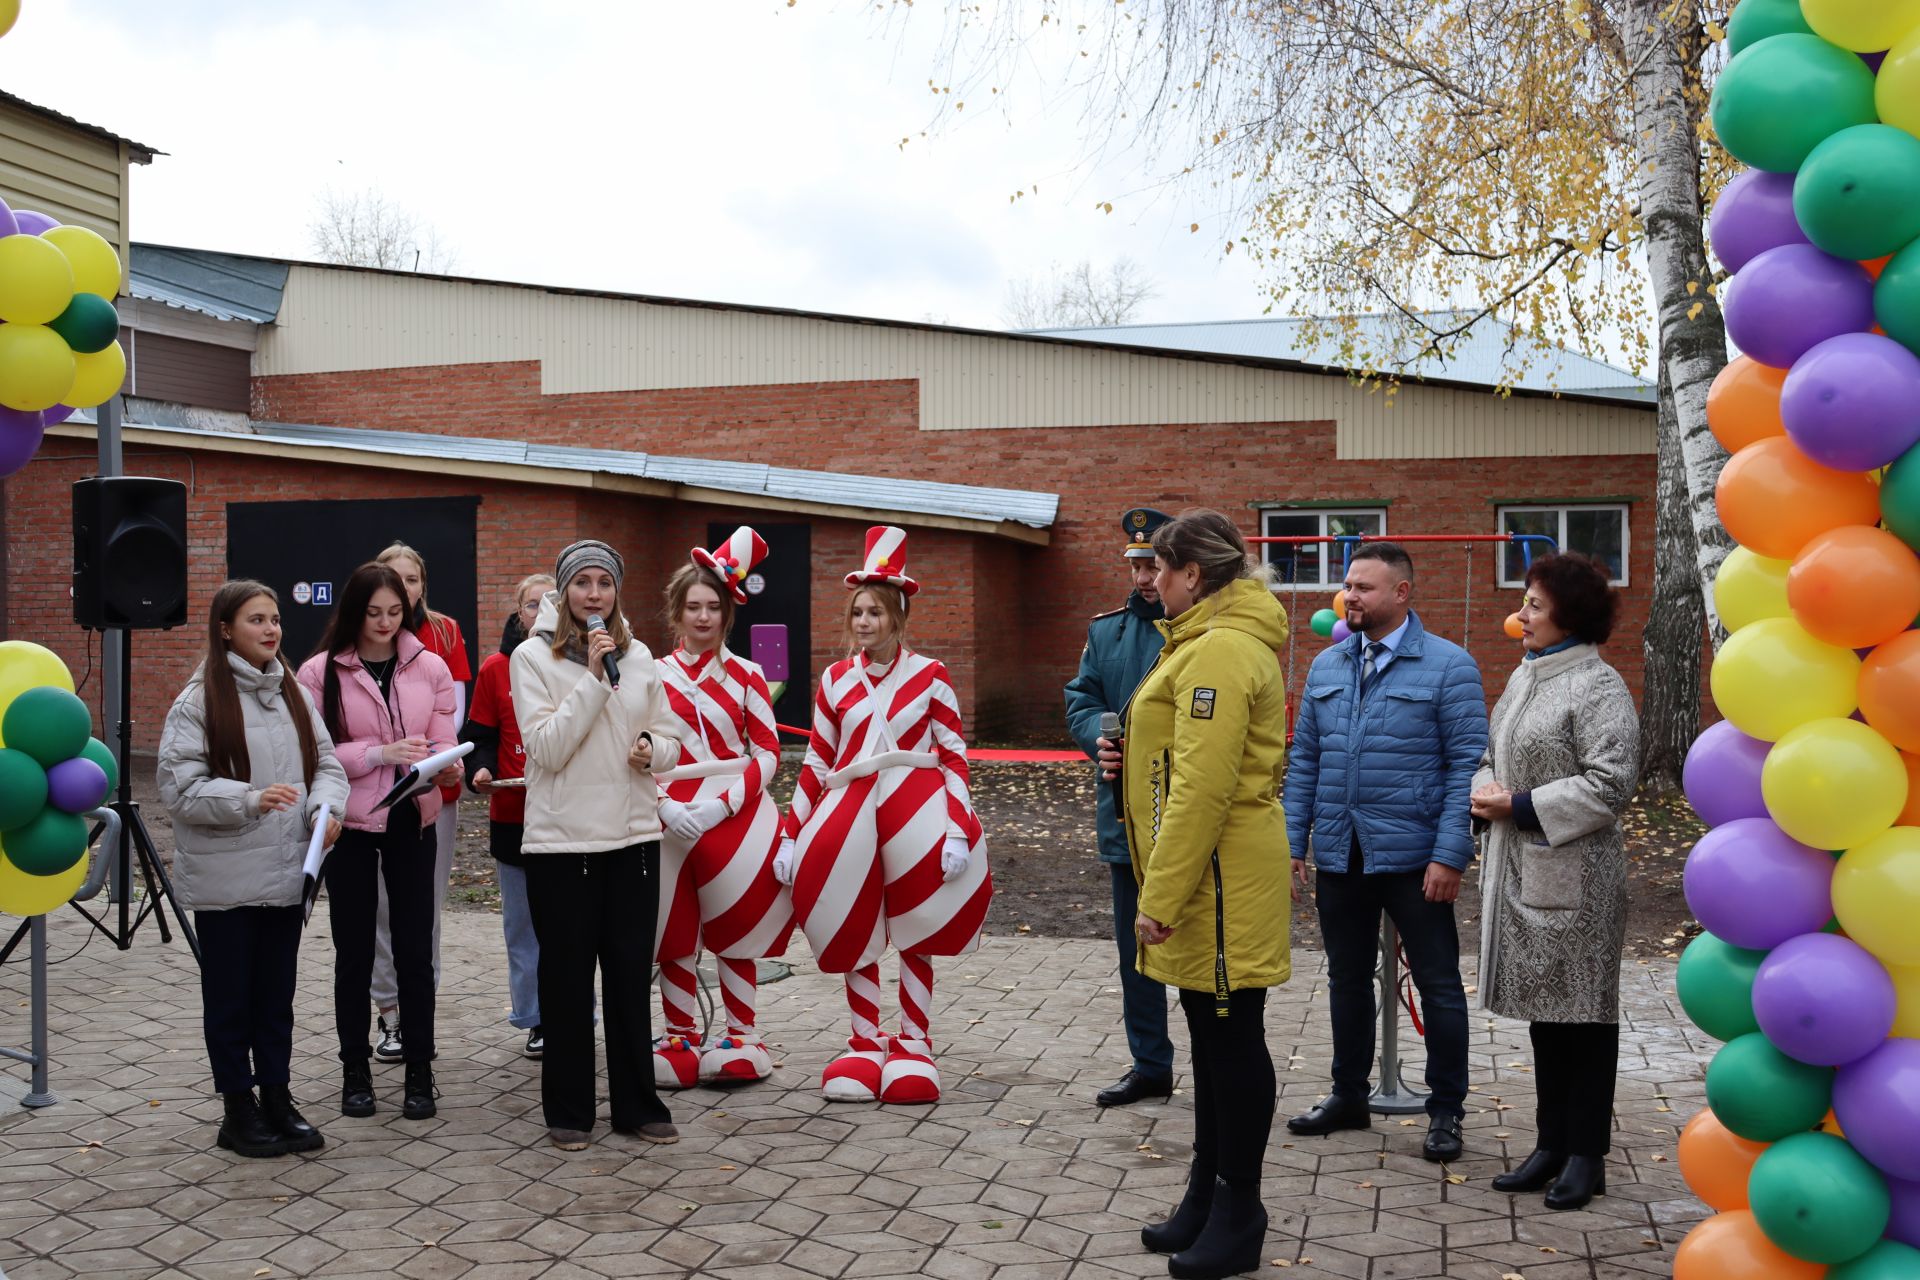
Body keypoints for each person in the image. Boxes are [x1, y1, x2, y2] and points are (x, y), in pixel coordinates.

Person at [1124, 510, 1291, 1280]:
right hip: (1203, 873)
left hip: (1215, 879)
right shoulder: (1200, 642)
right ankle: (1205, 1196)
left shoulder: (1221, 649)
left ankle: (1239, 1214)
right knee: (1210, 1040)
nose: (1150, 580)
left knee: (1230, 1042)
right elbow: (1177, 762)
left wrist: (1158, 893)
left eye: (1160, 567)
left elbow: (1204, 787)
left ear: (1195, 574)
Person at [1283, 541, 1487, 1162]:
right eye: (1348, 585)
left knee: (1439, 986)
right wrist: (1296, 842)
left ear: (1401, 594)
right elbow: (1306, 762)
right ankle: (1349, 1095)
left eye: (1364, 587)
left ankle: (1445, 1110)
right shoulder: (1327, 665)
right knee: (1347, 980)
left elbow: (1467, 770)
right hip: (1341, 855)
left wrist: (1451, 855)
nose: (1350, 596)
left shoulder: (1450, 667)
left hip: (1416, 858)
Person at [776, 526, 991, 1105]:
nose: (864, 622)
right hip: (848, 817)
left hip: (916, 815)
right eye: (857, 612)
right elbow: (817, 762)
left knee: (918, 927)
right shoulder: (834, 680)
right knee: (856, 923)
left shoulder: (932, 674)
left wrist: (957, 829)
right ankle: (865, 1041)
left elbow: (953, 756)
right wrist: (791, 833)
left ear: (897, 616)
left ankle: (915, 1041)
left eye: (875, 611)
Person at [158, 581, 349, 1158]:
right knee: (231, 1000)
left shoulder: (293, 690)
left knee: (275, 996)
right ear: (225, 629)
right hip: (227, 883)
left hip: (288, 873)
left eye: (275, 620)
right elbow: (181, 790)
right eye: (255, 620)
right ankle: (237, 1110)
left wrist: (325, 811)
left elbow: (328, 765)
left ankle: (277, 1098)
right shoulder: (197, 701)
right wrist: (249, 798)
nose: (271, 630)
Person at [1471, 552, 1639, 1212]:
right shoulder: (1525, 678)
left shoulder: (1599, 687)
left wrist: (1518, 804)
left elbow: (1611, 783)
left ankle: (1586, 1155)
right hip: (1522, 870)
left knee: (1585, 1018)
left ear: (1570, 616)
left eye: (1535, 605)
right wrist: (1484, 790)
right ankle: (1550, 1144)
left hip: (1580, 880)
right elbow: (1494, 755)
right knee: (1547, 1014)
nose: (1521, 615)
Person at [511, 538, 683, 1150]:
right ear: (564, 593)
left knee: (630, 977)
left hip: (633, 838)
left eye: (604, 583)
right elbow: (547, 748)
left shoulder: (640, 660)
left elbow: (671, 740)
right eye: (581, 583)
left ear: (616, 592)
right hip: (563, 847)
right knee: (565, 980)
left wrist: (652, 751)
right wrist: (590, 680)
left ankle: (637, 1104)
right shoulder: (531, 659)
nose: (593, 594)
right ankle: (568, 1112)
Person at [297, 562, 461, 1121]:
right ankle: (355, 1073)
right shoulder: (320, 672)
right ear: (353, 612)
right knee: (354, 953)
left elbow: (444, 737)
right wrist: (378, 755)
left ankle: (420, 1071)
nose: (386, 623)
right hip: (350, 826)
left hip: (413, 820)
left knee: (416, 952)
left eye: (395, 612)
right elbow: (311, 754)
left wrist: (440, 767)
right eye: (374, 614)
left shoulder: (430, 665)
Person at [650, 527, 793, 1088]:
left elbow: (768, 752)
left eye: (713, 607)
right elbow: (633, 752)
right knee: (673, 929)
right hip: (668, 819)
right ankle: (680, 1034)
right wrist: (663, 805)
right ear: (676, 612)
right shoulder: (651, 674)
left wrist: (724, 804)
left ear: (726, 614)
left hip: (737, 816)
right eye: (693, 607)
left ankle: (741, 1033)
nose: (703, 617)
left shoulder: (749, 674)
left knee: (737, 924)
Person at [1064, 506, 1175, 1108]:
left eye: (1153, 565)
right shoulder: (1106, 631)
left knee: (1192, 940)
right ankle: (1150, 1064)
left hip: (1186, 814)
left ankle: (1212, 1058)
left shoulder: (1203, 631)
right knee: (1137, 946)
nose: (1143, 579)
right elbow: (1082, 696)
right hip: (1124, 817)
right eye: (1136, 565)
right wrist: (1096, 740)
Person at [368, 542, 473, 1064]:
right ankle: (389, 1014)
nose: (403, 589)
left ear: (422, 586)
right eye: (394, 578)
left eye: (412, 580)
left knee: (424, 909)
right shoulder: (357, 631)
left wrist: (420, 757)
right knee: (381, 908)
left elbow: (452, 718)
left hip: (432, 790)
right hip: (370, 793)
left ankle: (419, 1012)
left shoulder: (446, 632)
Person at [460, 572, 554, 1060]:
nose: (541, 611)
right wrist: (480, 769)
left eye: (549, 601)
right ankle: (535, 1018)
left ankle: (574, 1011)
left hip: (568, 816)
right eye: (532, 604)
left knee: (569, 925)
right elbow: (479, 736)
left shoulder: (580, 664)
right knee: (523, 927)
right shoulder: (497, 668)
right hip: (513, 815)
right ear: (519, 613)